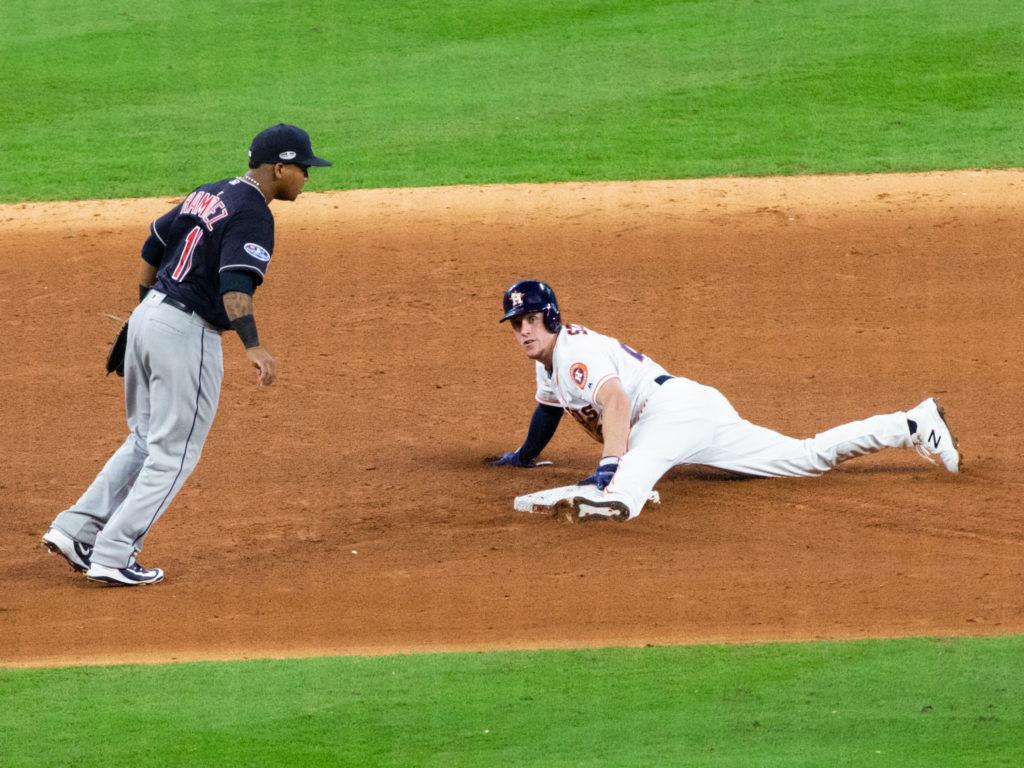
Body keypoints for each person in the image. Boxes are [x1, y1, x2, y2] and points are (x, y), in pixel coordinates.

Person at [42, 124, 331, 584]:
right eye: (303, 168)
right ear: (279, 168)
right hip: (185, 331)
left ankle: (75, 529)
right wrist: (252, 346)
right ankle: (113, 554)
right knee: (173, 454)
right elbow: (235, 283)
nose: (307, 178)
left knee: (144, 439)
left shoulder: (211, 191)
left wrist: (145, 316)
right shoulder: (255, 213)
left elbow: (154, 243)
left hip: (149, 314)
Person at [488, 279, 960, 523]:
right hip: (693, 410)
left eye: (529, 318)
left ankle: (615, 498)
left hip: (667, 414)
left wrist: (611, 464)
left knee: (619, 497)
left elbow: (613, 400)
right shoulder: (548, 360)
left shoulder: (576, 352)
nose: (523, 329)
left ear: (549, 317)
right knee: (804, 456)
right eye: (516, 323)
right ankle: (912, 424)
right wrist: (522, 457)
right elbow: (549, 408)